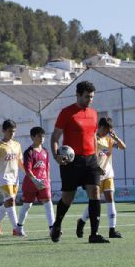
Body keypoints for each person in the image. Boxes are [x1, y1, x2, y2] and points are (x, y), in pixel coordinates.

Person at [50, 80, 109, 243]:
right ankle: (57, 225)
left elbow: (94, 139)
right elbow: (55, 137)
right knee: (68, 198)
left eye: (92, 97)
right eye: (87, 97)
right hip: (71, 162)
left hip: (90, 160)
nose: (90, 100)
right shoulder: (66, 112)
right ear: (78, 95)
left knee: (95, 193)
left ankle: (94, 234)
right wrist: (56, 156)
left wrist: (97, 161)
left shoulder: (94, 113)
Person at [77, 117, 127, 239]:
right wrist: (97, 168)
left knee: (110, 197)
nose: (106, 132)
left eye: (108, 130)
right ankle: (82, 221)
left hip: (108, 174)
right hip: (96, 175)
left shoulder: (109, 140)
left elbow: (123, 147)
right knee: (95, 202)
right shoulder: (94, 139)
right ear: (99, 127)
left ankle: (112, 229)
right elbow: (91, 156)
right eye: (105, 129)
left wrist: (115, 137)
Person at [16, 127, 54, 237]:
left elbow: (47, 167)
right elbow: (27, 169)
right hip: (31, 184)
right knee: (27, 205)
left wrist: (48, 180)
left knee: (48, 203)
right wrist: (35, 180)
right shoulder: (29, 152)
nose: (42, 138)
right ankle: (19, 227)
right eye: (39, 136)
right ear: (32, 137)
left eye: (43, 136)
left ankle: (52, 228)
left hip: (44, 183)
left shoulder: (45, 151)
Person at [0, 119, 24, 237]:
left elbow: (20, 162)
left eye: (14, 131)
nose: (12, 134)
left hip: (15, 178)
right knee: (11, 201)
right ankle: (16, 229)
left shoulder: (17, 145)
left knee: (8, 202)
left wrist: (30, 175)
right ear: (3, 131)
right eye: (9, 131)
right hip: (3, 177)